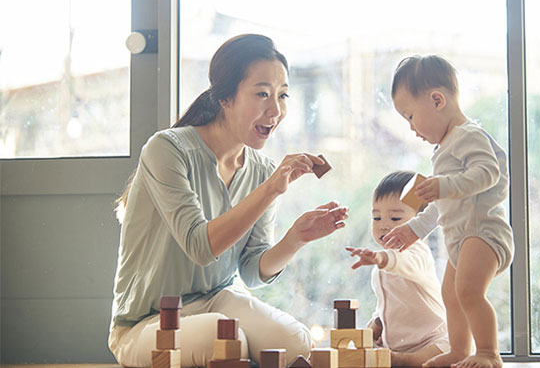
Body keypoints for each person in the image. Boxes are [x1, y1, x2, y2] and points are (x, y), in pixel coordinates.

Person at [108, 34, 349, 368]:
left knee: (294, 341)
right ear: (225, 98)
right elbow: (200, 247)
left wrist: (296, 238)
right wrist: (270, 191)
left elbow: (251, 271)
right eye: (262, 94)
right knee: (226, 340)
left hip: (219, 301)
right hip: (147, 322)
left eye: (282, 95)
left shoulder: (263, 169)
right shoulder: (167, 150)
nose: (275, 110)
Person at [381, 55, 514, 368]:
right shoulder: (443, 149)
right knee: (450, 293)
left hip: (483, 232)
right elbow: (442, 207)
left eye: (411, 116)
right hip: (461, 238)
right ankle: (459, 350)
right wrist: (413, 229)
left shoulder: (469, 135)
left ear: (437, 100)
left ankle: (488, 353)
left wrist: (444, 185)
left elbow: (488, 173)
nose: (411, 128)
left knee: (468, 291)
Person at [345, 171, 450, 366]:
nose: (383, 226)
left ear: (420, 223)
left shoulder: (418, 252)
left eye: (394, 219)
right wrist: (378, 322)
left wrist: (381, 258)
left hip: (431, 338)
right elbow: (388, 303)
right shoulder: (380, 262)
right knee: (367, 350)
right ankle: (400, 358)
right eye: (376, 218)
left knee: (452, 345)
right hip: (398, 344)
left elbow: (403, 262)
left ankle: (409, 361)